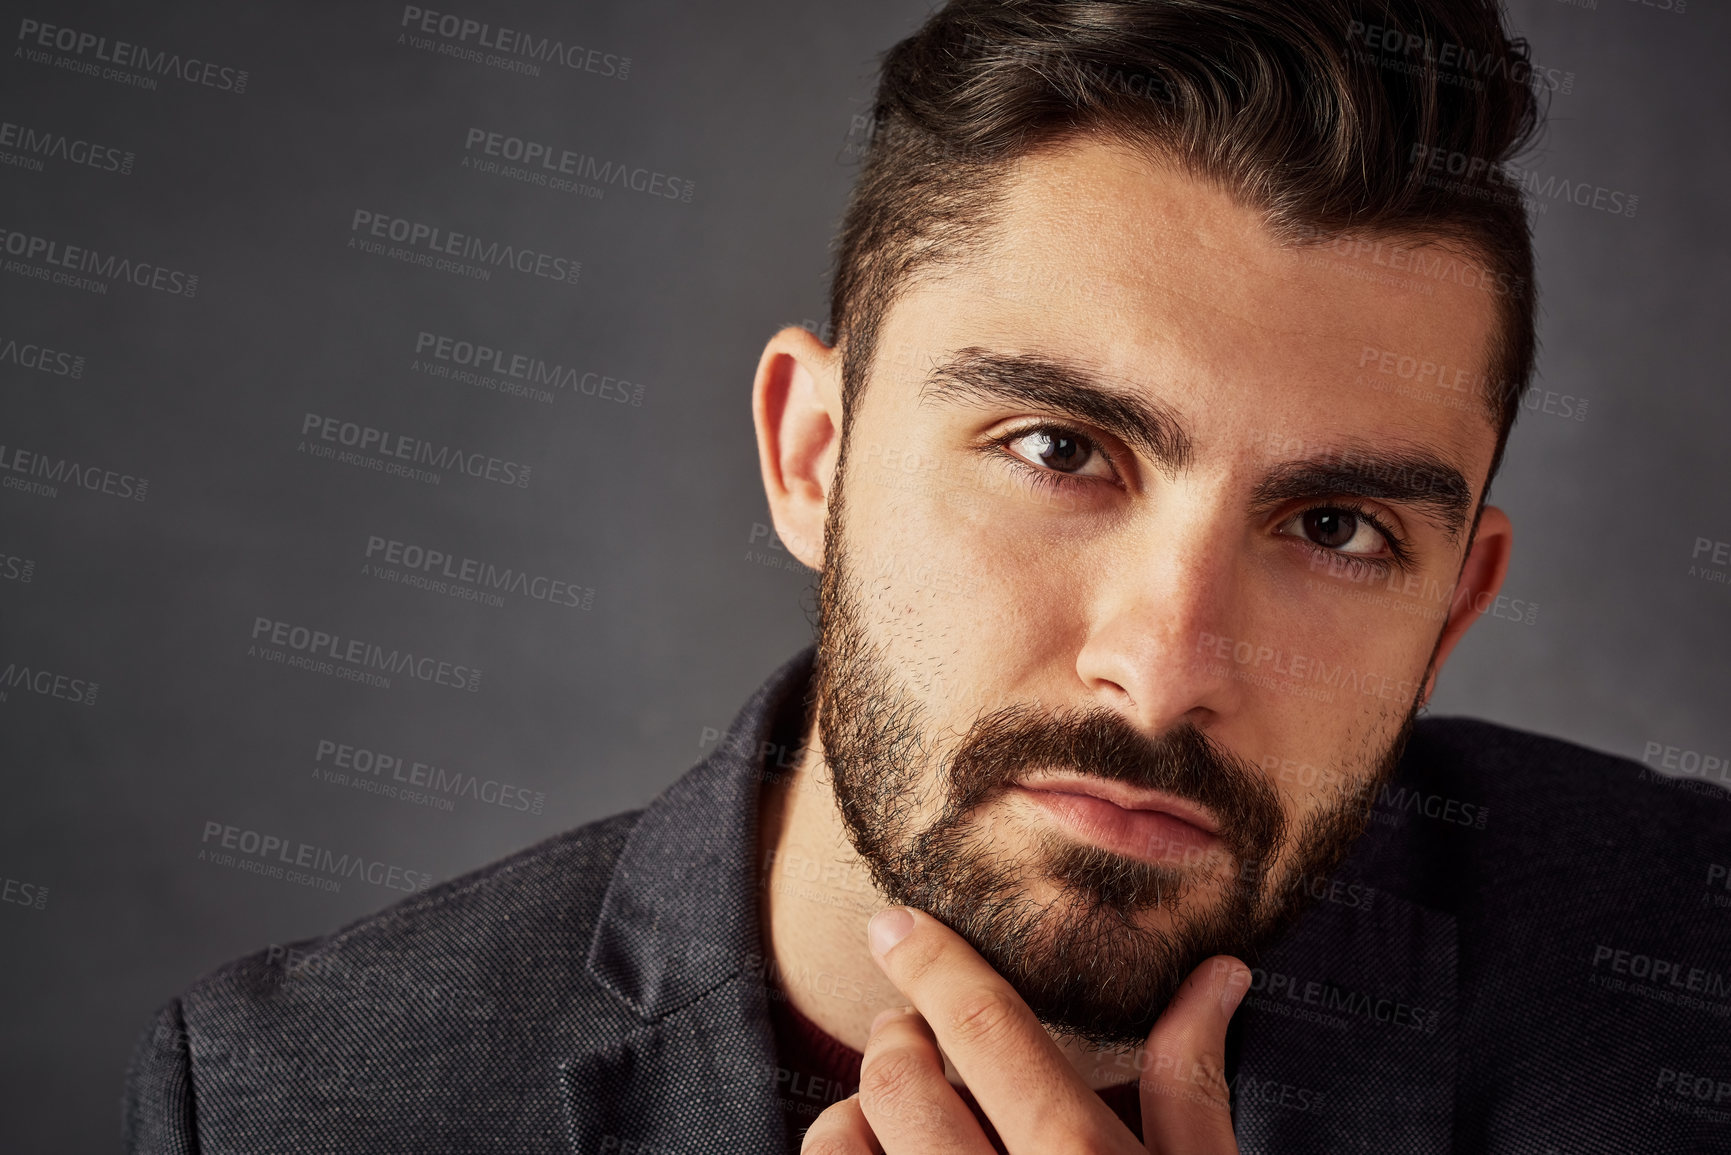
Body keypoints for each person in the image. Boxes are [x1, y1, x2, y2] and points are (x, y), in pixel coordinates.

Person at [124, 1, 1731, 1152]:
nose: (1167, 669)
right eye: (1058, 451)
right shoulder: (303, 1099)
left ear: (1453, 608)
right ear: (813, 456)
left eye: (1334, 531)